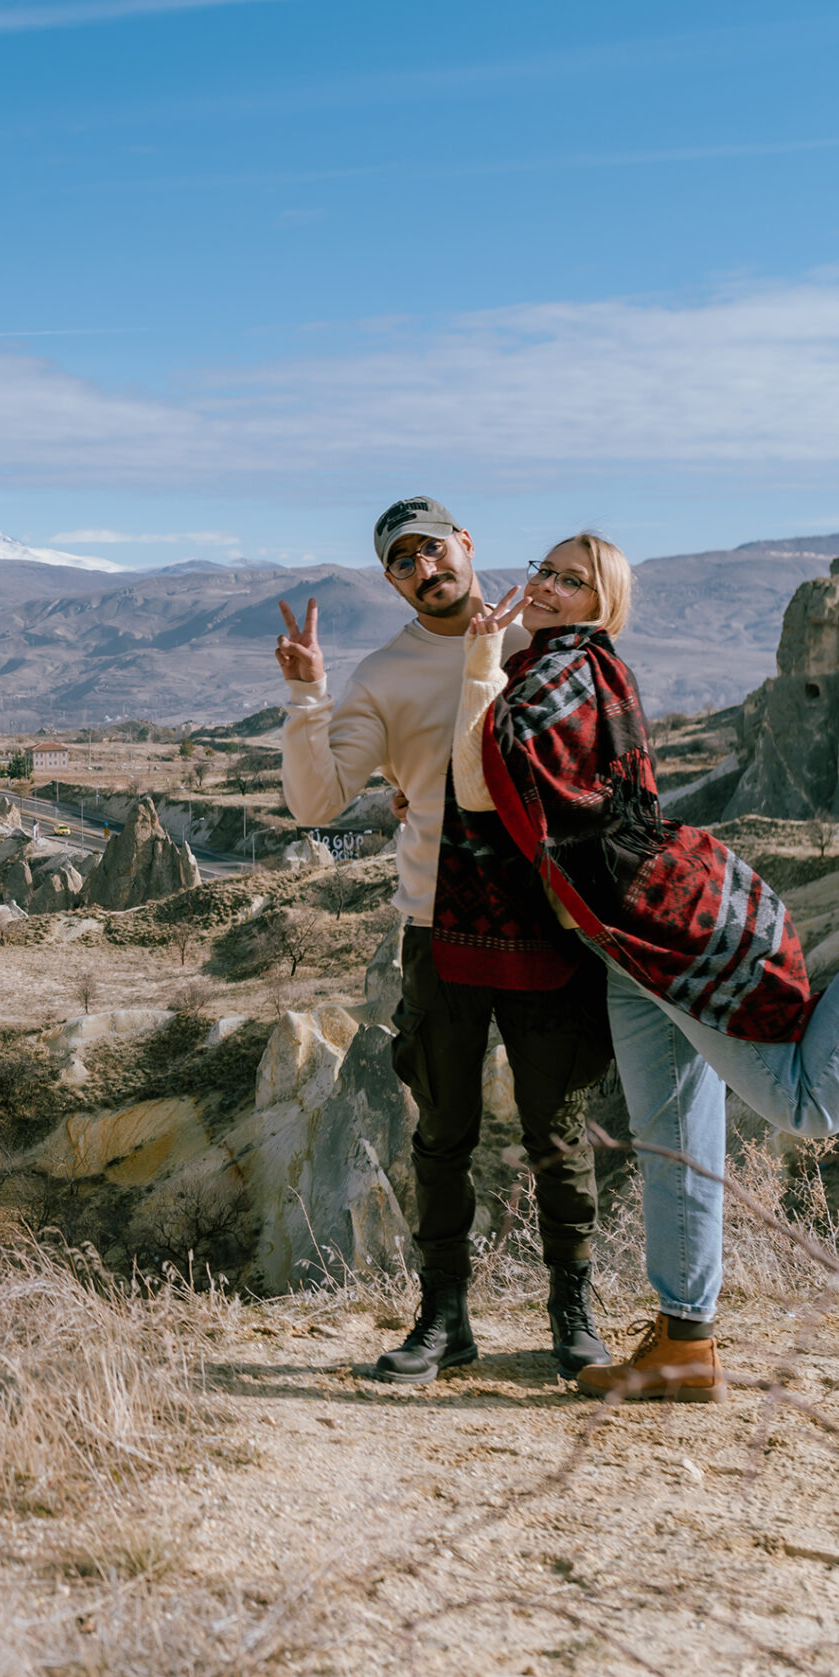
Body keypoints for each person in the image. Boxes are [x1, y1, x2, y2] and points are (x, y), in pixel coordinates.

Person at [449, 533, 839, 1402]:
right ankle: (683, 1342)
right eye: (544, 571)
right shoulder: (575, 662)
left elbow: (486, 774)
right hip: (625, 935)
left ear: (602, 602)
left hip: (653, 921)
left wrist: (484, 651)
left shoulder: (560, 672)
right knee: (676, 1144)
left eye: (571, 579)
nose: (547, 586)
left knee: (806, 1106)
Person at [277, 496, 615, 1384]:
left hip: (547, 922)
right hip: (438, 923)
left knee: (558, 1130)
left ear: (466, 545)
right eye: (404, 562)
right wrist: (308, 692)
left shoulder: (537, 636)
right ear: (391, 580)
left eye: (435, 549)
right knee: (442, 1136)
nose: (426, 569)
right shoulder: (384, 676)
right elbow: (316, 804)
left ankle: (573, 1316)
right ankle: (443, 1320)